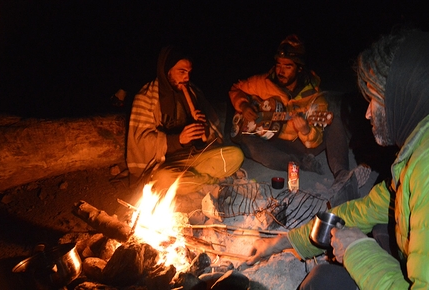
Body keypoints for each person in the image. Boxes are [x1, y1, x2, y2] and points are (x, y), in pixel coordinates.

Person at [246, 27, 429, 289]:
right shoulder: (413, 155)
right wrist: (282, 241)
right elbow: (362, 209)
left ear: (405, 97)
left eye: (375, 101)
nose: (367, 114)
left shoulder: (425, 168)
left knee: (321, 282)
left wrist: (356, 249)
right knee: (379, 229)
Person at [229, 34, 370, 206]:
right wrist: (243, 105)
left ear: (299, 68)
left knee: (333, 120)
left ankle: (342, 175)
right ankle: (297, 163)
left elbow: (314, 140)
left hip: (302, 144)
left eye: (288, 67)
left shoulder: (313, 96)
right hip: (274, 142)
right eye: (279, 65)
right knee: (246, 140)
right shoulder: (263, 82)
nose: (281, 71)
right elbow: (236, 88)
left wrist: (305, 130)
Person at [126, 46, 244, 195]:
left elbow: (208, 139)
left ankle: (193, 181)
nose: (187, 78)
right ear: (167, 70)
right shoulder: (146, 97)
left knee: (235, 155)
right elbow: (140, 143)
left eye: (188, 72)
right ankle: (208, 181)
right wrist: (179, 140)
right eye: (181, 72)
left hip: (192, 159)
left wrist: (204, 129)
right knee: (162, 179)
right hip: (163, 165)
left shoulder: (193, 93)